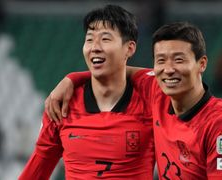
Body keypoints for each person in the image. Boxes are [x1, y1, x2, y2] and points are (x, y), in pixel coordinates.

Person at [46, 22, 222, 179]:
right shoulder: (157, 90)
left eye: (179, 59)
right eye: (161, 60)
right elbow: (113, 72)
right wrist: (72, 78)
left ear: (201, 64)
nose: (168, 69)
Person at [19, 5, 155, 179]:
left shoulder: (150, 100)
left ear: (129, 48)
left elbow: (165, 76)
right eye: (89, 39)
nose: (95, 47)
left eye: (105, 39)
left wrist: (73, 77)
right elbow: (37, 170)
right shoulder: (62, 105)